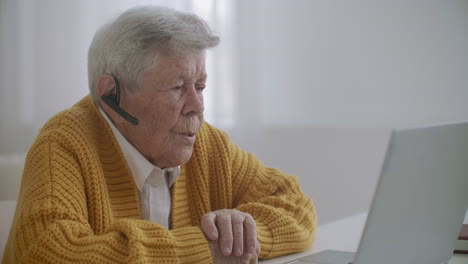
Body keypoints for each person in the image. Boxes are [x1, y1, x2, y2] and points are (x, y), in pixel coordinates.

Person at [2, 6, 316, 264]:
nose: (196, 107)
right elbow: (48, 254)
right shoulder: (63, 143)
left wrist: (236, 236)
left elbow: (296, 207)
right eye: (177, 87)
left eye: (201, 86)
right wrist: (204, 248)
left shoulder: (207, 144)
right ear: (111, 94)